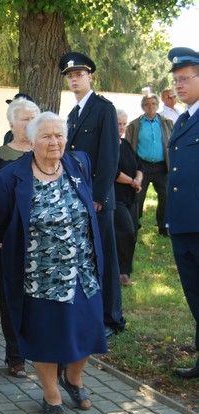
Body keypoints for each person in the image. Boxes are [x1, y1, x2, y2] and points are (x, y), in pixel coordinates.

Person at [0, 112, 107, 414]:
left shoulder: (78, 164)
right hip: (38, 274)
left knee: (89, 329)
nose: (54, 142)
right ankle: (51, 394)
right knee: (45, 336)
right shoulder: (9, 178)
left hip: (83, 269)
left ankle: (74, 379)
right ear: (31, 140)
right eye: (46, 136)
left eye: (59, 135)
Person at [60, 51, 124, 339]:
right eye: (70, 76)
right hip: (79, 198)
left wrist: (98, 197)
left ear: (90, 77)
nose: (74, 80)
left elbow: (110, 157)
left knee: (105, 257)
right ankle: (92, 312)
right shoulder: (73, 115)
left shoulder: (103, 109)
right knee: (87, 257)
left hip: (99, 200)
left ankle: (112, 318)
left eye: (79, 75)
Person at [0, 98, 41, 379]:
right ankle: (15, 355)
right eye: (24, 118)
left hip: (42, 245)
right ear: (11, 124)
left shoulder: (48, 152)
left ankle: (42, 353)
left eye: (34, 118)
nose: (30, 123)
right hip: (6, 242)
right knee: (9, 299)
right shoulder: (0, 156)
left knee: (38, 301)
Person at [166, 47, 199, 379]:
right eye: (176, 80)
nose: (178, 85)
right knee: (195, 295)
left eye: (185, 79)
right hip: (183, 224)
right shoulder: (185, 119)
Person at [124, 94, 174, 237]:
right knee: (138, 198)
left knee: (165, 198)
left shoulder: (167, 122)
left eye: (153, 104)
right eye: (147, 104)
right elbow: (128, 147)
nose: (150, 107)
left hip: (162, 167)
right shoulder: (134, 125)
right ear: (142, 107)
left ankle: (163, 227)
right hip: (142, 167)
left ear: (158, 106)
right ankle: (134, 225)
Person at [114, 109, 143, 287]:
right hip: (115, 197)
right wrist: (132, 181)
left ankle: (125, 272)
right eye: (118, 124)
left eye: (124, 124)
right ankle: (119, 272)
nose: (122, 127)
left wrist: (138, 179)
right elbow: (112, 172)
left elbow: (138, 164)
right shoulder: (107, 145)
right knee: (125, 232)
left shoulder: (125, 144)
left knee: (133, 233)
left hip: (131, 197)